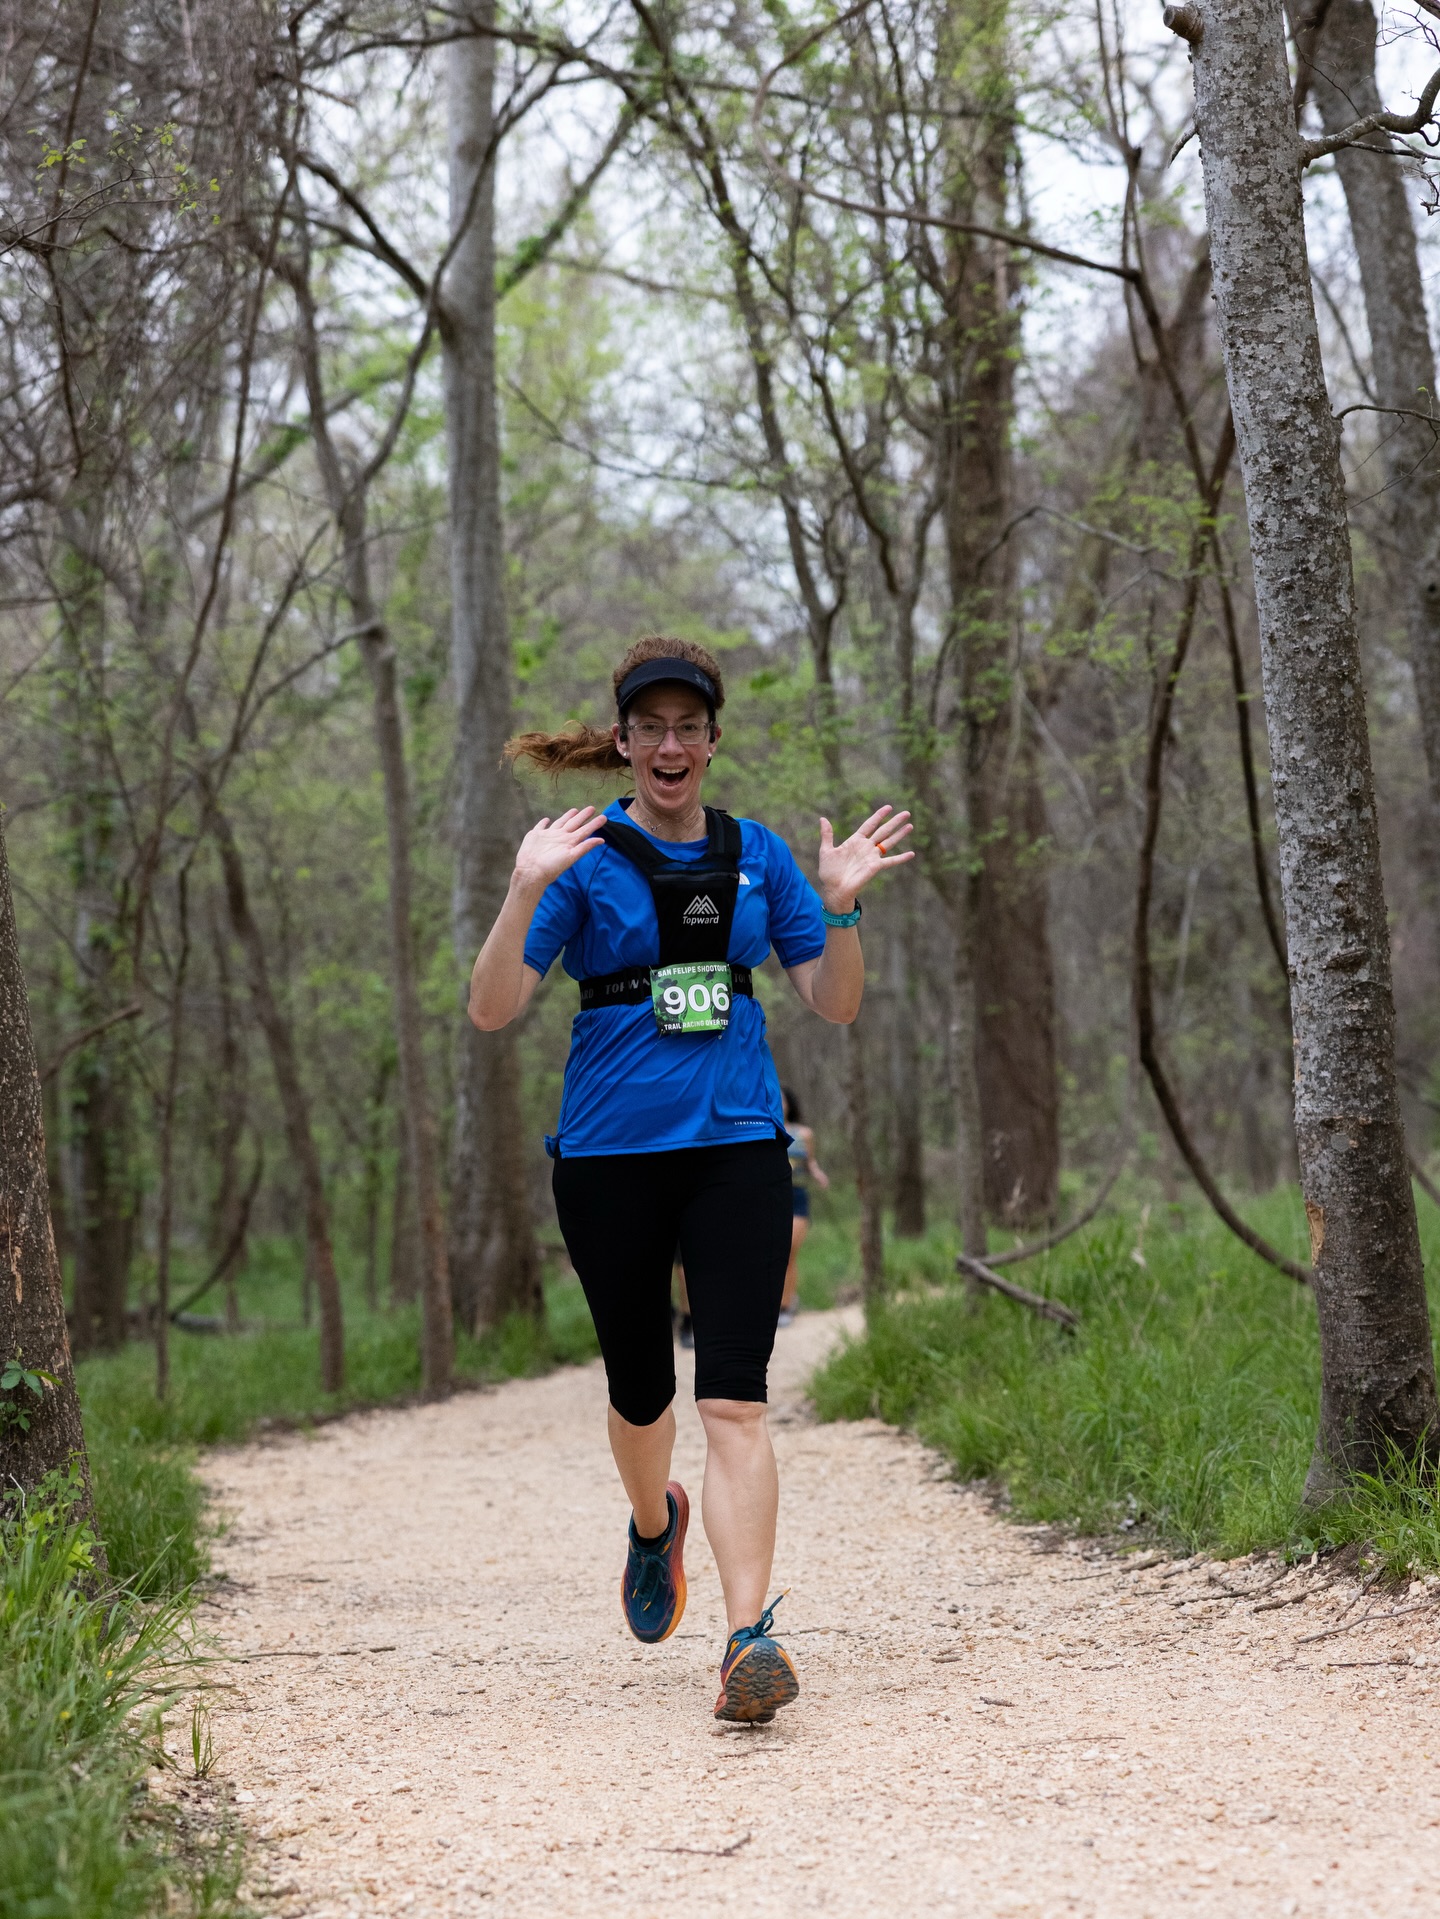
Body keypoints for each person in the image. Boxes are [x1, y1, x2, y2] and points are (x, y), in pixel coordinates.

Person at [467, 635, 912, 1723]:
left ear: (712, 741)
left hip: (737, 1153)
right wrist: (524, 890)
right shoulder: (579, 857)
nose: (671, 744)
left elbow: (834, 1000)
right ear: (622, 743)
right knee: (640, 1392)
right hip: (610, 1159)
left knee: (735, 1400)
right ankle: (653, 1523)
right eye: (650, 727)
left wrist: (844, 904)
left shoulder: (760, 855)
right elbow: (490, 1007)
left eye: (690, 726)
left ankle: (748, 1636)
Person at [777, 1086, 829, 1328]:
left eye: (782, 1099)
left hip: (797, 1197)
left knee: (789, 1252)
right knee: (774, 1255)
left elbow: (810, 1161)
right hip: (773, 1198)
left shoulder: (804, 1133)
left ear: (790, 1103)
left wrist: (818, 1174)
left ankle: (786, 1306)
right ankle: (780, 1300)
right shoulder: (764, 1130)